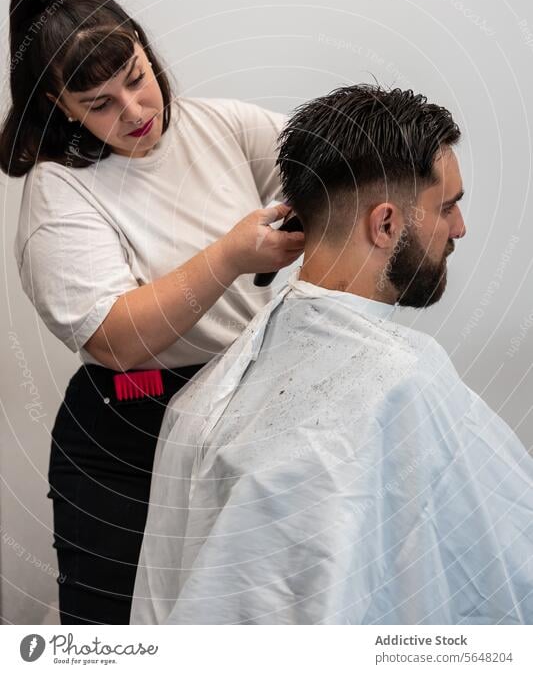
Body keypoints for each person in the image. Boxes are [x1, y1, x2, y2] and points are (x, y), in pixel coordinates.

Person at [131, 84, 533, 625]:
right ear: (386, 224)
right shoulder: (406, 382)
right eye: (448, 207)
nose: (460, 228)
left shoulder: (194, 407)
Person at [0, 0, 305, 625]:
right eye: (100, 103)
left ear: (143, 45)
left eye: (135, 77)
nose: (135, 113)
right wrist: (229, 256)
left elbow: (319, 163)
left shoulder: (214, 125)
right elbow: (118, 338)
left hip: (239, 414)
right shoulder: (60, 195)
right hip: (127, 429)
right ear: (58, 105)